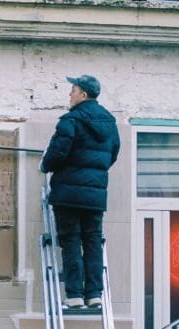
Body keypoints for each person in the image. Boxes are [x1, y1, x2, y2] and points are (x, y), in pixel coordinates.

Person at [39, 74, 120, 309]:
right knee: (93, 240)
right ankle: (94, 293)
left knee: (71, 240)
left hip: (69, 194)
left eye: (72, 90)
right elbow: (112, 155)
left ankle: (74, 294)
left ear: (83, 95)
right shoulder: (110, 123)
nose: (69, 94)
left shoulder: (70, 120)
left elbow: (57, 153)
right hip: (95, 195)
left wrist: (45, 165)